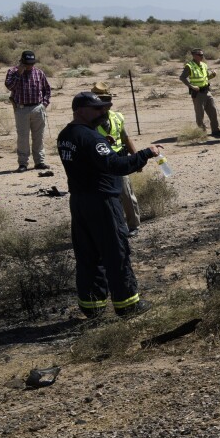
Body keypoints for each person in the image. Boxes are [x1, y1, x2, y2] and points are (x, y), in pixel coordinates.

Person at [57, 92, 161, 319]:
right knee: (116, 253)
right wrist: (145, 154)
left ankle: (92, 306)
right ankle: (127, 305)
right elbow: (115, 165)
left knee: (88, 255)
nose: (102, 112)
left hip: (80, 202)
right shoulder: (90, 138)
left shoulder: (66, 135)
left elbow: (89, 157)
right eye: (97, 109)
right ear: (80, 110)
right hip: (103, 202)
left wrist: (105, 144)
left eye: (103, 108)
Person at [90, 81, 141, 235]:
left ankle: (133, 225)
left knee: (126, 193)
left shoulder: (117, 117)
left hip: (119, 160)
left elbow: (126, 138)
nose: (106, 104)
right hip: (100, 162)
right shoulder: (88, 121)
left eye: (107, 99)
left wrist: (136, 159)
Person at [4, 50, 53, 172]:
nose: (29, 66)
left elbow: (47, 89)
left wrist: (44, 104)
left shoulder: (39, 73)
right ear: (21, 62)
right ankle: (23, 164)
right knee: (23, 138)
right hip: (21, 109)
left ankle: (39, 162)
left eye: (31, 63)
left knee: (39, 137)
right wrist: (19, 74)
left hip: (38, 108)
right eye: (27, 63)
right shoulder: (12, 72)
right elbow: (10, 86)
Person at [179, 48, 220, 138]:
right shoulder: (189, 66)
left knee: (213, 111)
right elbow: (182, 78)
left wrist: (212, 75)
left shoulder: (204, 65)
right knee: (200, 114)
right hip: (197, 94)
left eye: (202, 55)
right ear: (194, 55)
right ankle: (202, 132)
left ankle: (215, 130)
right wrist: (191, 86)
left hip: (207, 92)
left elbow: (205, 78)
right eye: (199, 55)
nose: (202, 56)